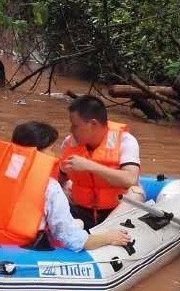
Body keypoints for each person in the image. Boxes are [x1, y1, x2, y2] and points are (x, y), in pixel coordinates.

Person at [0, 121, 131, 251]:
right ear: (37, 152)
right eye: (50, 149)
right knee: (75, 226)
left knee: (75, 222)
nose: (53, 155)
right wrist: (108, 238)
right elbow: (73, 240)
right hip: (24, 256)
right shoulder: (50, 187)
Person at [59, 95, 144, 229]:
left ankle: (101, 232)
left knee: (135, 193)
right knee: (58, 187)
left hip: (114, 209)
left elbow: (130, 179)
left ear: (93, 124)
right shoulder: (69, 143)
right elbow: (59, 177)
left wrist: (89, 166)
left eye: (75, 126)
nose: (71, 130)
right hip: (80, 209)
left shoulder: (126, 141)